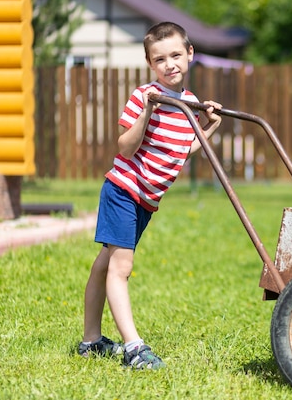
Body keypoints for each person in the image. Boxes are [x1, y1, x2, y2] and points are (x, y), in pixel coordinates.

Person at [77, 21, 222, 370]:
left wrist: (207, 128)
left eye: (176, 55)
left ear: (190, 54)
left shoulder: (189, 103)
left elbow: (177, 153)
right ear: (150, 64)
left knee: (105, 264)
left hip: (146, 200)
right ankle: (133, 348)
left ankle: (90, 341)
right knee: (120, 267)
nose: (169, 64)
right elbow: (125, 148)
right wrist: (148, 111)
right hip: (123, 190)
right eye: (160, 59)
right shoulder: (145, 96)